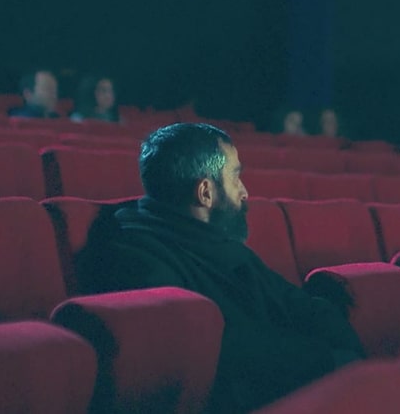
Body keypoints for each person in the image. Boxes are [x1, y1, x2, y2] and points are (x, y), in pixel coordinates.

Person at [79, 123, 364, 412]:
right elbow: (221, 349)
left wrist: (345, 354)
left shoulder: (216, 241)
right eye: (236, 177)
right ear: (205, 192)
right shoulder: (136, 257)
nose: (244, 191)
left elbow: (295, 302)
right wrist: (326, 361)